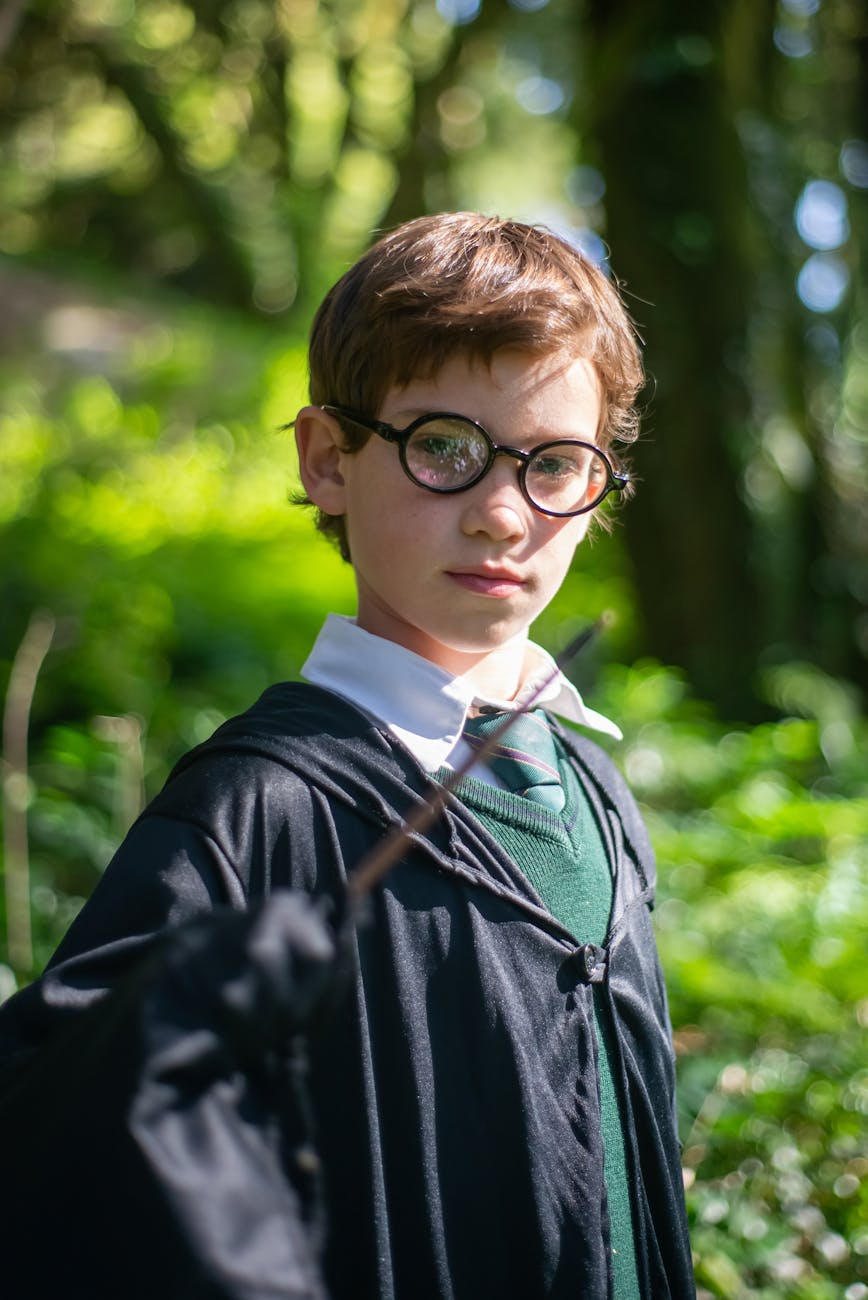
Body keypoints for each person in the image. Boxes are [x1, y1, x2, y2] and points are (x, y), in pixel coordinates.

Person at [0, 213, 695, 1299]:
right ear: (330, 458)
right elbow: (48, 1131)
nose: (504, 515)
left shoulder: (590, 789)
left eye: (556, 463)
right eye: (447, 450)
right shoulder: (253, 812)